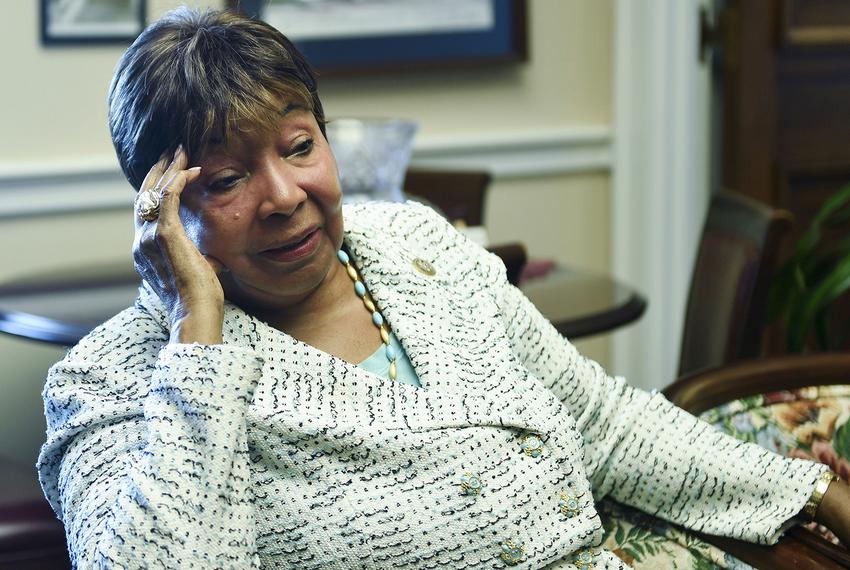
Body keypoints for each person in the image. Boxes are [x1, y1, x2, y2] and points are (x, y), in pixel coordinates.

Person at [37, 7, 849, 570]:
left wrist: (811, 491)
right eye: (225, 177)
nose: (284, 194)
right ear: (160, 209)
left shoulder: (420, 245)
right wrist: (198, 340)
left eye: (298, 144)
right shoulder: (111, 383)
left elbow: (599, 420)